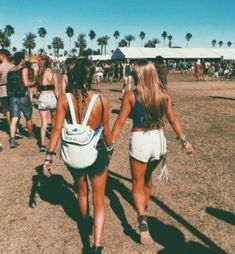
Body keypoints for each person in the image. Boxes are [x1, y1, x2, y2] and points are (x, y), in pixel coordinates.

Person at [112, 59, 193, 245]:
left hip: (140, 140)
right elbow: (173, 120)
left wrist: (110, 143)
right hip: (159, 142)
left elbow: (120, 123)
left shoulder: (131, 96)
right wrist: (184, 140)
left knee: (137, 183)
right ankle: (144, 207)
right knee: (147, 177)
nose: (132, 71)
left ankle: (142, 221)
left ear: (140, 74)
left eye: (135, 70)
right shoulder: (164, 95)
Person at [43, 58, 113, 254]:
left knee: (82, 193)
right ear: (91, 76)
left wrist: (48, 156)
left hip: (73, 154)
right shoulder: (101, 100)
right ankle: (97, 245)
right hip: (96, 154)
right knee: (99, 199)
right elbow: (106, 132)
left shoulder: (64, 99)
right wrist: (111, 147)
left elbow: (56, 129)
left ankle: (85, 226)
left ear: (71, 76)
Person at [7, 52, 36, 148]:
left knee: (14, 118)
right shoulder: (24, 69)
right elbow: (26, 83)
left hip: (12, 97)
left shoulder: (10, 71)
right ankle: (30, 133)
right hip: (22, 96)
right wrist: (35, 82)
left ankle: (12, 139)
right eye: (24, 58)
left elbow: (8, 85)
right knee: (28, 116)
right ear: (22, 59)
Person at [37, 56, 59, 152]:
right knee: (54, 122)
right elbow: (56, 91)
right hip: (52, 98)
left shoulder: (38, 75)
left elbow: (37, 90)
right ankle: (52, 139)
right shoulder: (52, 75)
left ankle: (42, 143)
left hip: (42, 97)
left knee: (44, 123)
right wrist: (59, 101)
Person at [0, 49, 14, 129]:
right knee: (14, 109)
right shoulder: (13, 66)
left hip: (3, 91)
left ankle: (11, 128)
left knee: (7, 111)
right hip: (13, 91)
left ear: (3, 55)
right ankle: (16, 126)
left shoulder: (0, 67)